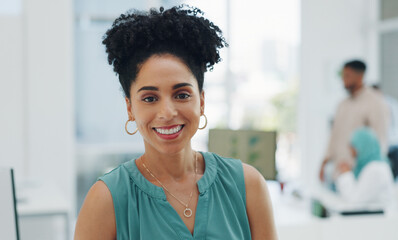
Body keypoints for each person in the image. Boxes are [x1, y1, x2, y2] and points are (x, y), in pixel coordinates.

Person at [74, 5, 277, 240]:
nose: (167, 112)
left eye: (181, 95)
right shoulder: (106, 199)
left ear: (201, 101)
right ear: (130, 108)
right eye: (150, 98)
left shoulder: (248, 186)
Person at [319, 60, 389, 188]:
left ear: (360, 76)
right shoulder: (342, 104)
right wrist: (324, 162)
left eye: (347, 76)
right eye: (342, 76)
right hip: (339, 173)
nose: (343, 80)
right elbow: (335, 135)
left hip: (360, 177)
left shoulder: (375, 103)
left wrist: (370, 174)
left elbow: (380, 140)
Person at [335, 127, 395, 207]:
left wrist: (346, 174)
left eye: (353, 146)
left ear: (363, 147)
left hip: (383, 218)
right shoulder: (366, 167)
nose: (350, 151)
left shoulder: (375, 169)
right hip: (373, 216)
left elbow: (354, 203)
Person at [372, 84, 398, 179]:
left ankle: (391, 181)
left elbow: (396, 124)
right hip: (379, 144)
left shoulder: (391, 103)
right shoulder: (370, 106)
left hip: (394, 142)